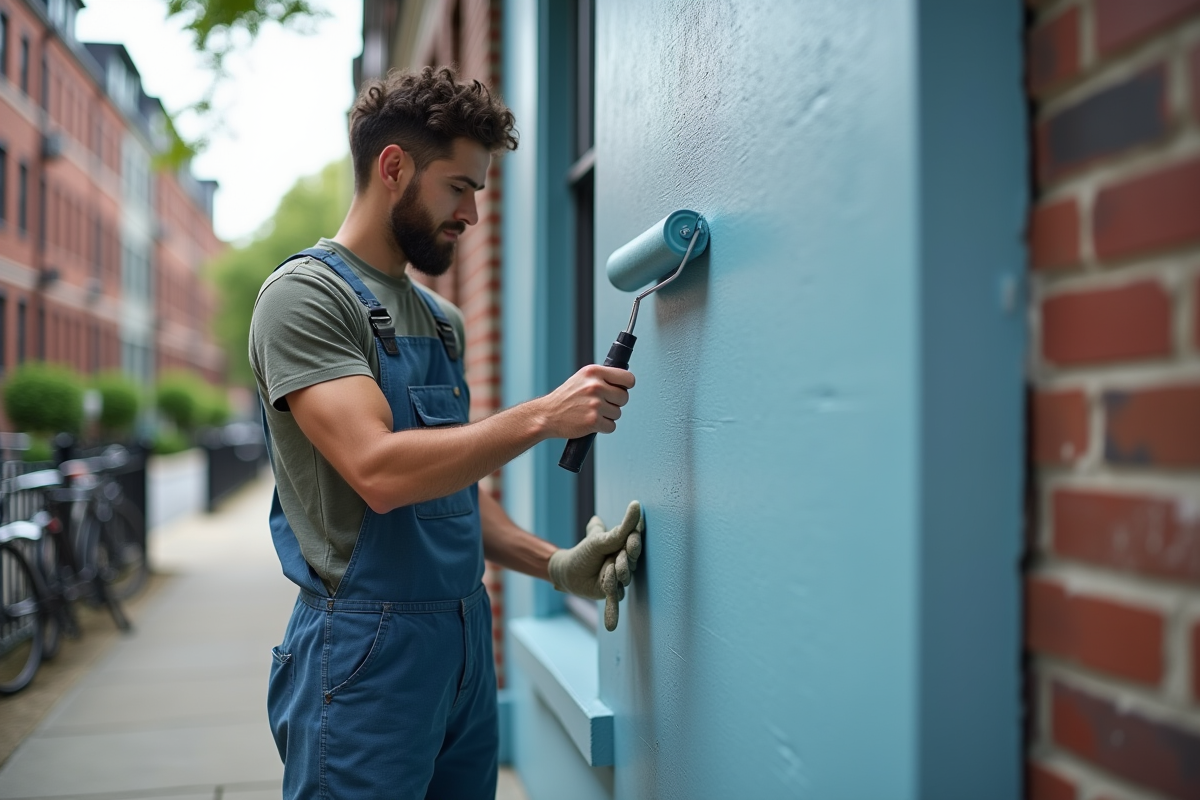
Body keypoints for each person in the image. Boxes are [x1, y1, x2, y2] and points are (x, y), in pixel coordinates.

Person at [250, 66, 644, 799]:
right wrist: (541, 417)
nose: (471, 214)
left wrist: (555, 563)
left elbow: (448, 489)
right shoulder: (306, 299)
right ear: (393, 168)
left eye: (478, 193)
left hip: (464, 642)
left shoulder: (440, 320)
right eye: (459, 187)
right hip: (368, 655)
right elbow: (382, 471)